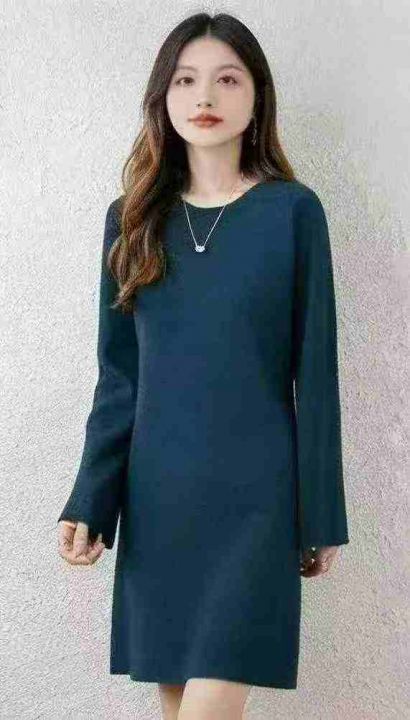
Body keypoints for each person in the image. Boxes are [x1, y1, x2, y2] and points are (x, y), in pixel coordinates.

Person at [57, 11, 350, 720]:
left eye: (227, 79)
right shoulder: (131, 220)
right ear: (163, 97)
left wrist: (321, 511)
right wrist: (91, 499)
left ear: (257, 97)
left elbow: (316, 374)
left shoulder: (292, 213)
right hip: (159, 501)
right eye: (185, 81)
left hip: (257, 503)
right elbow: (120, 378)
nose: (205, 97)